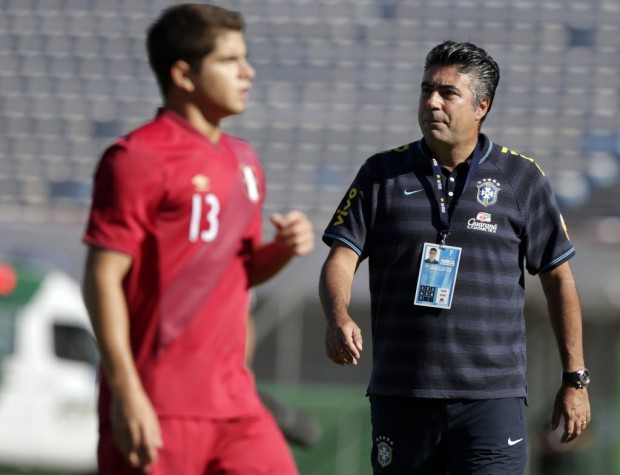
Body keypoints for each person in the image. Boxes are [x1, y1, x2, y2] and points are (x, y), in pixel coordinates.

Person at [318, 40, 590, 474]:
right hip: (402, 394)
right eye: (426, 89)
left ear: (482, 105)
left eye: (448, 93)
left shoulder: (522, 177)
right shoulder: (380, 173)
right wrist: (337, 314)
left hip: (491, 399)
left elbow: (559, 278)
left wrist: (574, 378)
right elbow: (341, 257)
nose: (432, 102)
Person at [81, 4, 314, 475]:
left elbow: (241, 273)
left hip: (236, 402)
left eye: (244, 58)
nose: (247, 72)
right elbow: (101, 278)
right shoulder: (135, 157)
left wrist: (284, 250)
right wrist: (127, 392)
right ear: (184, 75)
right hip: (158, 404)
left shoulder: (245, 160)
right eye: (230, 61)